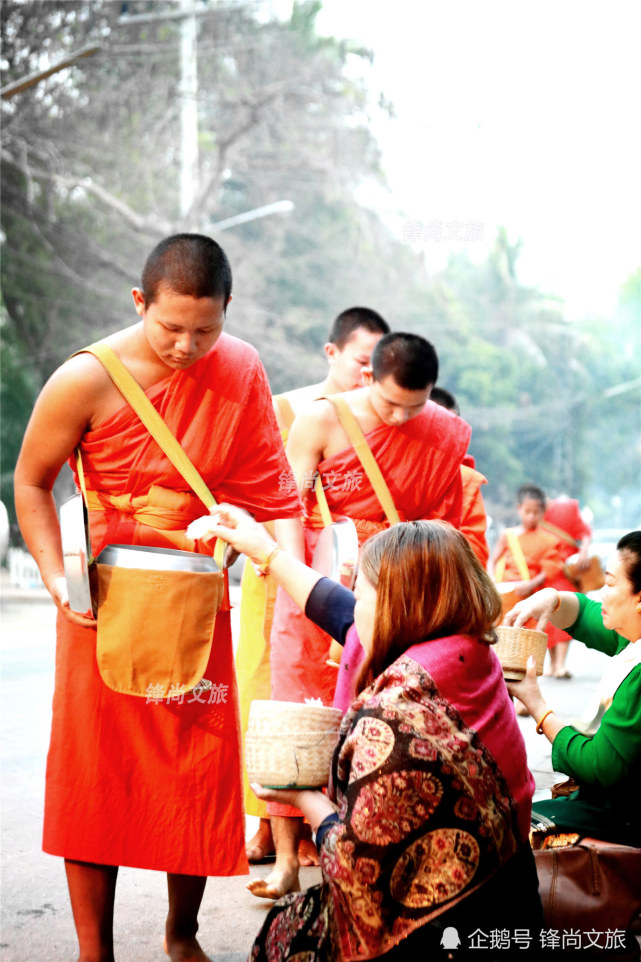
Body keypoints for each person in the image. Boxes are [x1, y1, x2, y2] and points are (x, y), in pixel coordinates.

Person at [13, 234, 302, 962]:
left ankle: (181, 934)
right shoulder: (86, 377)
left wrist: (290, 571)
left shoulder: (239, 368)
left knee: (194, 769)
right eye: (170, 327)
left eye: (204, 330)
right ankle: (93, 950)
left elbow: (271, 491)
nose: (185, 346)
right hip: (101, 596)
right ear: (139, 302)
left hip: (195, 591)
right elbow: (31, 481)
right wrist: (55, 577)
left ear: (227, 312)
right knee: (95, 772)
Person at [188, 505, 543, 958]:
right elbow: (334, 607)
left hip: (439, 929)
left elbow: (357, 875)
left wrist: (300, 798)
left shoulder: (396, 717)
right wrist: (266, 548)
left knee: (289, 935)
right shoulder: (468, 650)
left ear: (400, 605)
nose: (356, 608)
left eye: (364, 593)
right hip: (513, 908)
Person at [261, 332, 472, 899]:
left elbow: (443, 521)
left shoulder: (445, 432)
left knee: (382, 717)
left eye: (416, 404)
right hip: (322, 580)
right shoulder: (320, 420)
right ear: (366, 378)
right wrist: (290, 568)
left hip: (398, 590)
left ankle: (362, 844)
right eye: (389, 403)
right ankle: (284, 859)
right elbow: (287, 503)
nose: (402, 417)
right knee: (295, 713)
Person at [237, 307, 389, 865]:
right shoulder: (291, 409)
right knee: (272, 690)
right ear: (332, 353)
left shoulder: (379, 419)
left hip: (354, 571)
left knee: (341, 693)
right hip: (288, 564)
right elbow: (264, 484)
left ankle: (320, 819)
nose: (368, 378)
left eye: (379, 368)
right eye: (361, 364)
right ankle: (268, 819)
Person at [504, 530, 641, 847]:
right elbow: (583, 612)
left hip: (624, 812)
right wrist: (550, 598)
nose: (602, 594)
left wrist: (538, 706)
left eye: (609, 584)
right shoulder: (630, 635)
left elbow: (599, 765)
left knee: (511, 832)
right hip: (613, 801)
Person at [429, 385, 490, 566]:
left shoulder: (467, 480)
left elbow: (476, 552)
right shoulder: (391, 468)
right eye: (437, 427)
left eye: (452, 429)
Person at [490, 484, 563, 623]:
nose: (531, 516)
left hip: (532, 597)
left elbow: (549, 570)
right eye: (527, 511)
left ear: (543, 512)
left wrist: (531, 584)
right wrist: (492, 580)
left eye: (536, 512)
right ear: (519, 509)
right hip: (506, 595)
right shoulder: (508, 535)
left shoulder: (550, 541)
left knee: (527, 637)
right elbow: (493, 561)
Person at [540, 495, 594, 678]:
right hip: (544, 573)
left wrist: (584, 552)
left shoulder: (568, 509)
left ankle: (560, 665)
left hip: (566, 572)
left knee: (564, 613)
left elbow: (585, 533)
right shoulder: (535, 515)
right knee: (547, 619)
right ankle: (553, 664)